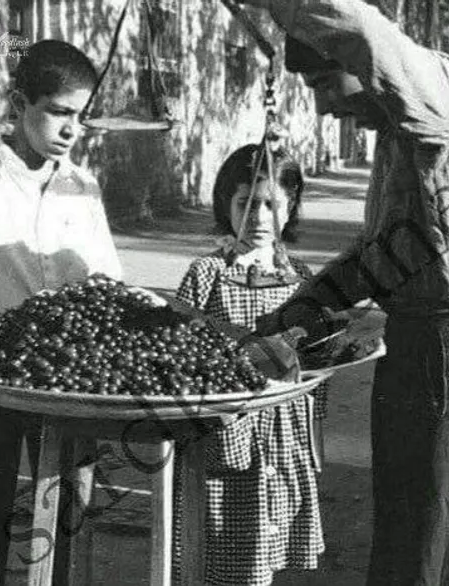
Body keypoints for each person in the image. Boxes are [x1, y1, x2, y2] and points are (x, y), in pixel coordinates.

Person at [236, 1, 449, 584]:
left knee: (424, 525)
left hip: (441, 347)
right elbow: (380, 258)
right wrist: (288, 318)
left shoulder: (430, 93)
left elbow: (363, 30)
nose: (326, 106)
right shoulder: (398, 139)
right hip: (413, 343)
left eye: (327, 83)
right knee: (405, 510)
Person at [0, 40, 122, 584]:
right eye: (60, 112)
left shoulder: (83, 187)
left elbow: (104, 284)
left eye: (83, 116)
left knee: (67, 512)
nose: (73, 130)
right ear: (20, 102)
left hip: (69, 381)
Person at [172, 143, 327, 586]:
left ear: (291, 206)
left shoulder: (300, 277)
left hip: (282, 435)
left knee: (263, 546)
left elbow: (318, 359)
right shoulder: (207, 274)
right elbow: (177, 349)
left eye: (271, 204)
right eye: (246, 203)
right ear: (227, 204)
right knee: (212, 542)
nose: (259, 217)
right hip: (222, 430)